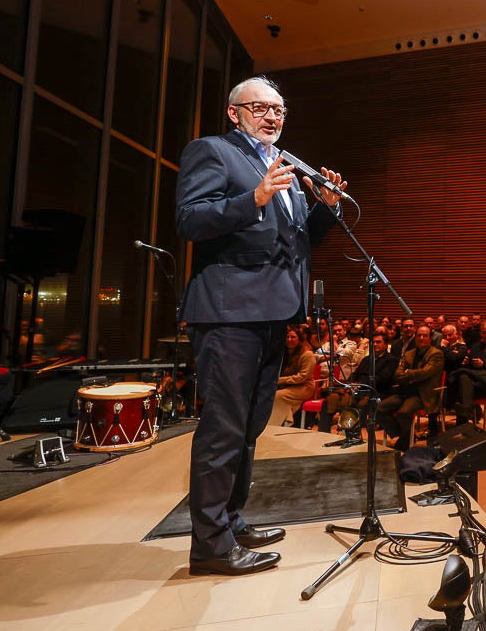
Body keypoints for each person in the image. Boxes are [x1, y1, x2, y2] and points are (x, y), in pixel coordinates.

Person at [176, 75, 345, 577]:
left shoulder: (284, 167)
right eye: (261, 109)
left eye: (279, 110)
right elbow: (190, 221)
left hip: (273, 313)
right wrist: (252, 198)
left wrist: (326, 211)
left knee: (249, 428)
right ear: (234, 113)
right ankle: (209, 546)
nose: (272, 117)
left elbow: (296, 242)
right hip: (229, 313)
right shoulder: (212, 152)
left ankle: (231, 519)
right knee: (223, 429)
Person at [374, 325, 444, 451]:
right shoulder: (409, 353)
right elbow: (397, 374)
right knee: (378, 409)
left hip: (422, 393)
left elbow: (426, 373)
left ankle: (404, 441)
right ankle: (403, 436)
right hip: (404, 391)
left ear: (430, 338)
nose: (421, 338)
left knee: (403, 412)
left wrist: (408, 373)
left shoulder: (436, 354)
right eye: (419, 335)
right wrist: (411, 374)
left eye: (425, 336)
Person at [448, 320, 486, 424]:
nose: (484, 335)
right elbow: (471, 363)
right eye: (482, 333)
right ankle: (465, 418)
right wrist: (467, 362)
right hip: (475, 382)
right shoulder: (476, 346)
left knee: (462, 382)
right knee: (463, 379)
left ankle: (463, 422)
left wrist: (484, 364)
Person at [271, 328, 317, 427]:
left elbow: (302, 377)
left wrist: (280, 380)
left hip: (305, 387)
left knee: (278, 396)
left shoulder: (307, 354)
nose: (289, 339)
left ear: (300, 339)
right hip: (288, 385)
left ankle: (274, 425)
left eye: (293, 337)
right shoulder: (285, 354)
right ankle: (286, 419)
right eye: (287, 337)